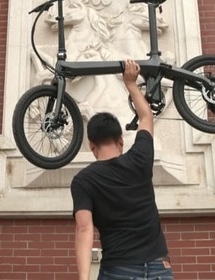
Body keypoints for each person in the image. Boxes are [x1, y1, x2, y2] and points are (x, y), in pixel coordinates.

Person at [71, 59, 172, 280]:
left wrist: (83, 278)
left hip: (119, 271)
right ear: (120, 141)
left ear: (92, 145)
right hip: (159, 269)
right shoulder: (140, 158)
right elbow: (146, 116)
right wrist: (131, 83)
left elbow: (84, 229)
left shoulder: (83, 180)